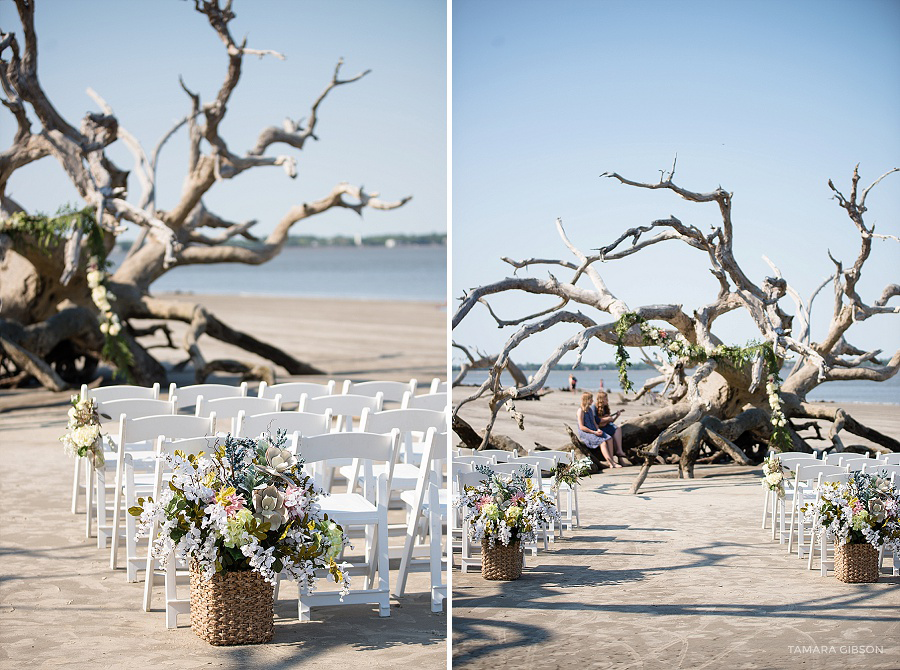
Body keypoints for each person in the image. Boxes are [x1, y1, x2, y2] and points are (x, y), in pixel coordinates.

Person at [576, 391, 616, 468]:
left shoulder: (590, 410)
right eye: (591, 399)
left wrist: (598, 429)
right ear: (586, 400)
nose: (592, 401)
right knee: (603, 442)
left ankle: (612, 459)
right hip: (586, 432)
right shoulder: (580, 411)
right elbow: (581, 427)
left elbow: (594, 423)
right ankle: (610, 462)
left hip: (594, 430)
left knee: (609, 438)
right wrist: (593, 432)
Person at [594, 389, 629, 467]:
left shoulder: (606, 407)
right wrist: (606, 419)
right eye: (606, 399)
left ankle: (619, 450)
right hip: (599, 429)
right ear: (602, 399)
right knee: (610, 439)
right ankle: (612, 461)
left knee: (618, 429)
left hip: (606, 426)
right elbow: (596, 421)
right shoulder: (595, 408)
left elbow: (610, 421)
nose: (607, 401)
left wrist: (616, 416)